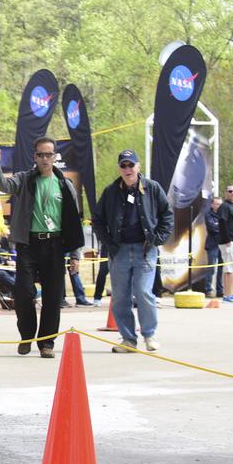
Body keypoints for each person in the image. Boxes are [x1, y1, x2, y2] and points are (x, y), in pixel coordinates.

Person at [0, 138, 83, 359]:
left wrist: (75, 254)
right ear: (35, 156)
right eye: (41, 154)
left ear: (55, 157)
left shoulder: (64, 184)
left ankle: (46, 342)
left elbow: (73, 221)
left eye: (49, 154)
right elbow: (3, 186)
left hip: (55, 244)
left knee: (52, 297)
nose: (45, 159)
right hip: (29, 244)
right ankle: (27, 335)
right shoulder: (25, 179)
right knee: (24, 292)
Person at [91, 150, 173, 353]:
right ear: (119, 169)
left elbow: (167, 215)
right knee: (120, 297)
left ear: (138, 166)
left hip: (145, 250)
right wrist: (107, 242)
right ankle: (128, 339)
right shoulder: (111, 191)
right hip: (119, 251)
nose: (127, 169)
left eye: (131, 165)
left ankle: (149, 335)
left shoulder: (152, 188)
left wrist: (158, 238)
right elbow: (97, 219)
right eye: (123, 165)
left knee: (144, 292)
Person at [218, 184, 233, 302]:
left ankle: (227, 294)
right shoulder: (224, 206)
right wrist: (227, 239)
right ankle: (229, 295)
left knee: (230, 267)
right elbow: (222, 223)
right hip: (229, 242)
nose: (232, 193)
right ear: (226, 193)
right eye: (230, 191)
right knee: (230, 268)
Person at [203, 196, 223, 298]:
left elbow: (227, 227)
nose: (219, 206)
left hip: (222, 244)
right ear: (212, 205)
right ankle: (208, 290)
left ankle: (220, 290)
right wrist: (221, 226)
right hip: (212, 245)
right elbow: (212, 228)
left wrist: (219, 225)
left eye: (220, 204)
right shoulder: (208, 215)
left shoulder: (224, 214)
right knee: (211, 268)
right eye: (217, 204)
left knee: (221, 268)